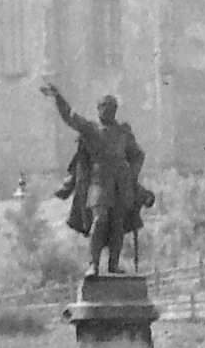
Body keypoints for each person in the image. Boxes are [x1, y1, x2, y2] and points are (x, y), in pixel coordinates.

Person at [40, 81, 152, 275]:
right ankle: (93, 264)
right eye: (104, 107)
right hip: (99, 182)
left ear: (115, 111)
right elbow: (70, 116)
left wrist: (131, 175)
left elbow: (137, 155)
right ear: (98, 109)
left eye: (111, 108)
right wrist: (57, 97)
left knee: (117, 224)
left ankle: (113, 264)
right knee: (99, 220)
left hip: (120, 183)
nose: (107, 111)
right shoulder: (91, 129)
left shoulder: (123, 133)